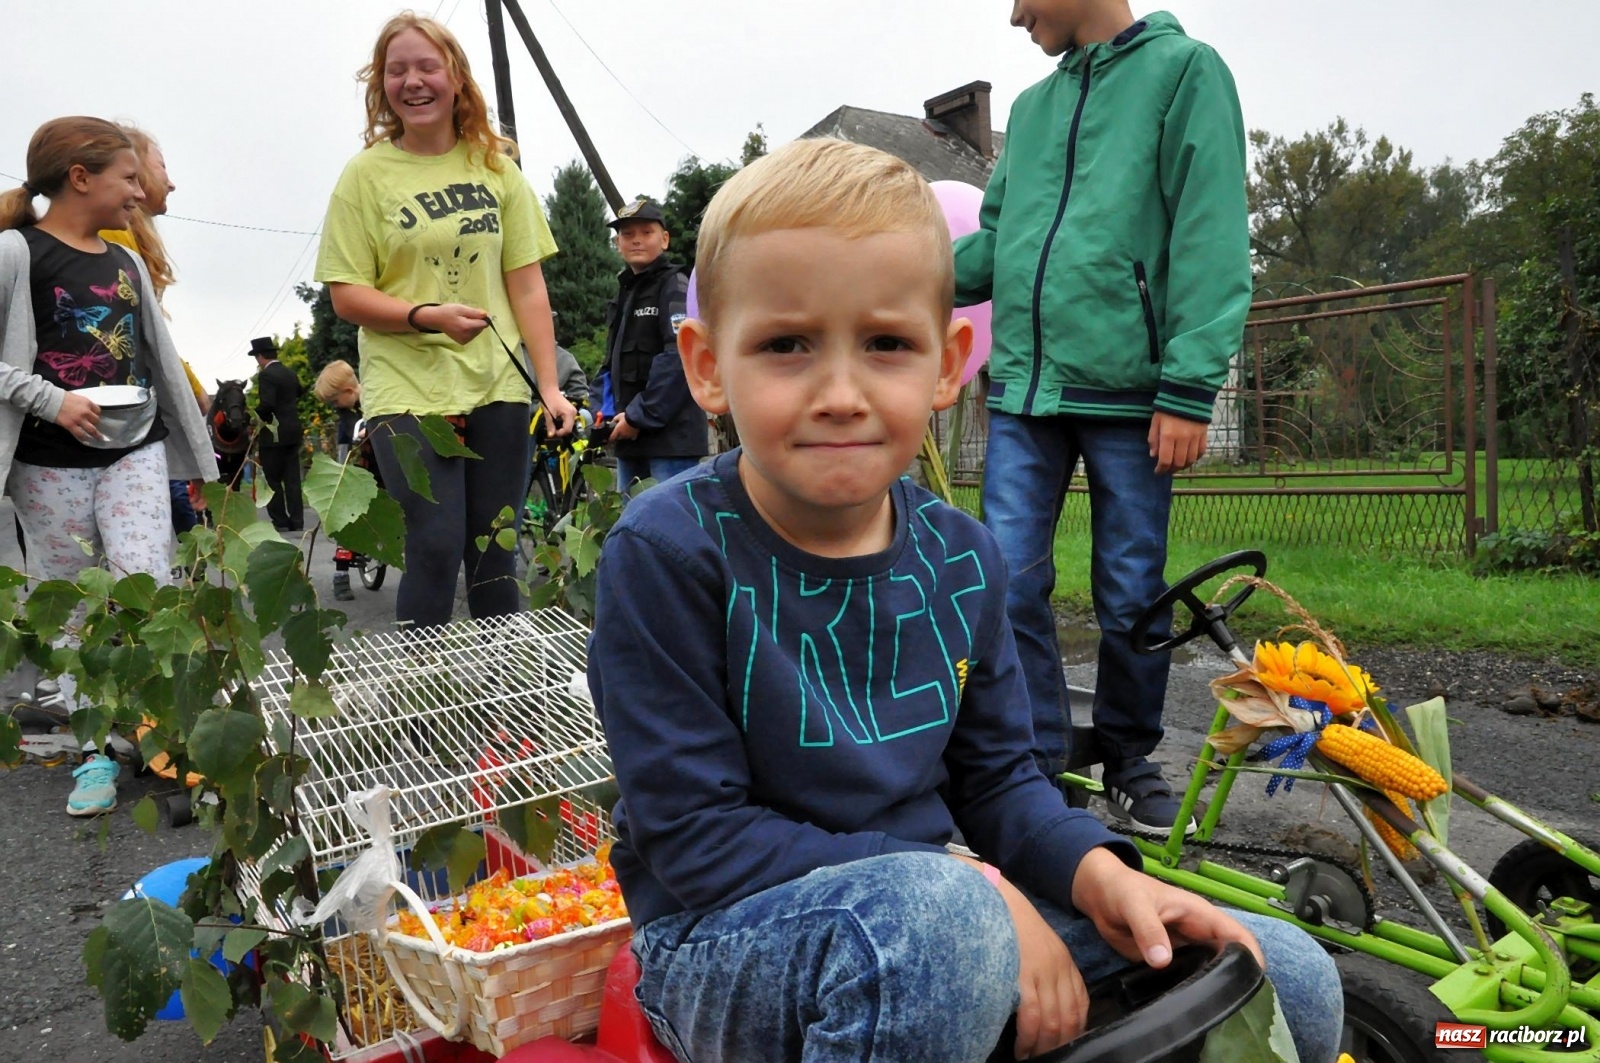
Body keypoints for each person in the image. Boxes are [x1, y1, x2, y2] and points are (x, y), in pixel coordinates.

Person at [587, 138, 1339, 1063]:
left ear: (946, 364)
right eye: (786, 345)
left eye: (886, 345)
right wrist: (974, 889)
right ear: (708, 366)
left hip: (941, 916)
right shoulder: (667, 550)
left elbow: (1001, 782)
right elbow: (698, 839)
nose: (841, 393)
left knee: (1283, 972)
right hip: (726, 936)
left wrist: (1095, 870)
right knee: (936, 936)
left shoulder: (963, 555)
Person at [952, 1, 1253, 834]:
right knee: (1006, 581)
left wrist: (1188, 386)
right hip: (1026, 392)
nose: (1015, 14)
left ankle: (1129, 759)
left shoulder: (1185, 72)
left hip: (1133, 396)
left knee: (1129, 593)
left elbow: (1210, 231)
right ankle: (1038, 764)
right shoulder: (1032, 108)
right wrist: (896, 270)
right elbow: (999, 243)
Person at [315, 11, 576, 629]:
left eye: (427, 67)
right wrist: (424, 316)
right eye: (396, 70)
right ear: (382, 85)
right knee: (433, 545)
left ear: (456, 77)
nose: (412, 81)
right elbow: (346, 295)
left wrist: (549, 385)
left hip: (496, 383)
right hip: (407, 385)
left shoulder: (497, 169)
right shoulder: (364, 176)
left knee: (494, 553)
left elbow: (528, 287)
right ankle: (423, 687)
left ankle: (502, 687)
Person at [0, 117, 218, 815]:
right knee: (72, 605)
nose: (139, 191)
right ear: (80, 178)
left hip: (134, 446)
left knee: (145, 585)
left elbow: (157, 358)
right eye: (128, 178)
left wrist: (199, 458)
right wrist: (51, 400)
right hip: (47, 463)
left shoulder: (126, 263)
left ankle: (164, 733)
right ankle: (95, 747)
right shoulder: (16, 253)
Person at [99, 124, 212, 542]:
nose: (171, 182)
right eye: (162, 166)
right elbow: (143, 336)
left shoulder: (129, 238)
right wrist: (191, 391)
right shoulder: (113, 238)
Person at [600, 197, 706, 492]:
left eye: (646, 232)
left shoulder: (676, 284)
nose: (636, 240)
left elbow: (679, 355)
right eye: (627, 234)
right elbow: (610, 364)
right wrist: (603, 412)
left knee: (671, 517)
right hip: (629, 438)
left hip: (671, 442)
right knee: (631, 519)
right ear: (618, 243)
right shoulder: (623, 293)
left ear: (665, 239)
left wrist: (638, 417)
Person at [313, 359, 362, 600]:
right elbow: (344, 451)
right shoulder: (346, 417)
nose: (335, 407)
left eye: (335, 401)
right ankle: (341, 574)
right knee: (346, 520)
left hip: (379, 467)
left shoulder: (376, 402)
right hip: (356, 469)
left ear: (349, 391)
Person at [249, 336, 305, 532]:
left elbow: (267, 404)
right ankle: (297, 520)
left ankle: (280, 520)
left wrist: (253, 417)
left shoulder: (266, 375)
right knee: (292, 479)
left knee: (272, 479)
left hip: (274, 434)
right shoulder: (289, 372)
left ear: (260, 356)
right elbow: (300, 391)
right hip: (293, 431)